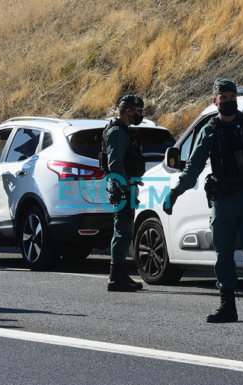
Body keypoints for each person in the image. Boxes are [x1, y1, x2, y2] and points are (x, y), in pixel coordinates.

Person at [164, 78, 243, 323]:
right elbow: (193, 168)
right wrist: (175, 192)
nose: (229, 101)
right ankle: (227, 307)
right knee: (223, 255)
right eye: (224, 98)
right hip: (223, 200)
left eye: (232, 97)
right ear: (215, 101)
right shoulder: (209, 131)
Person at [102, 95, 146, 292]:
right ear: (128, 111)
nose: (140, 115)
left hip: (127, 185)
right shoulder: (117, 133)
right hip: (122, 188)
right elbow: (114, 165)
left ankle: (120, 273)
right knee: (121, 231)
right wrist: (126, 190)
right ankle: (115, 277)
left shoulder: (124, 131)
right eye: (137, 111)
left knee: (126, 231)